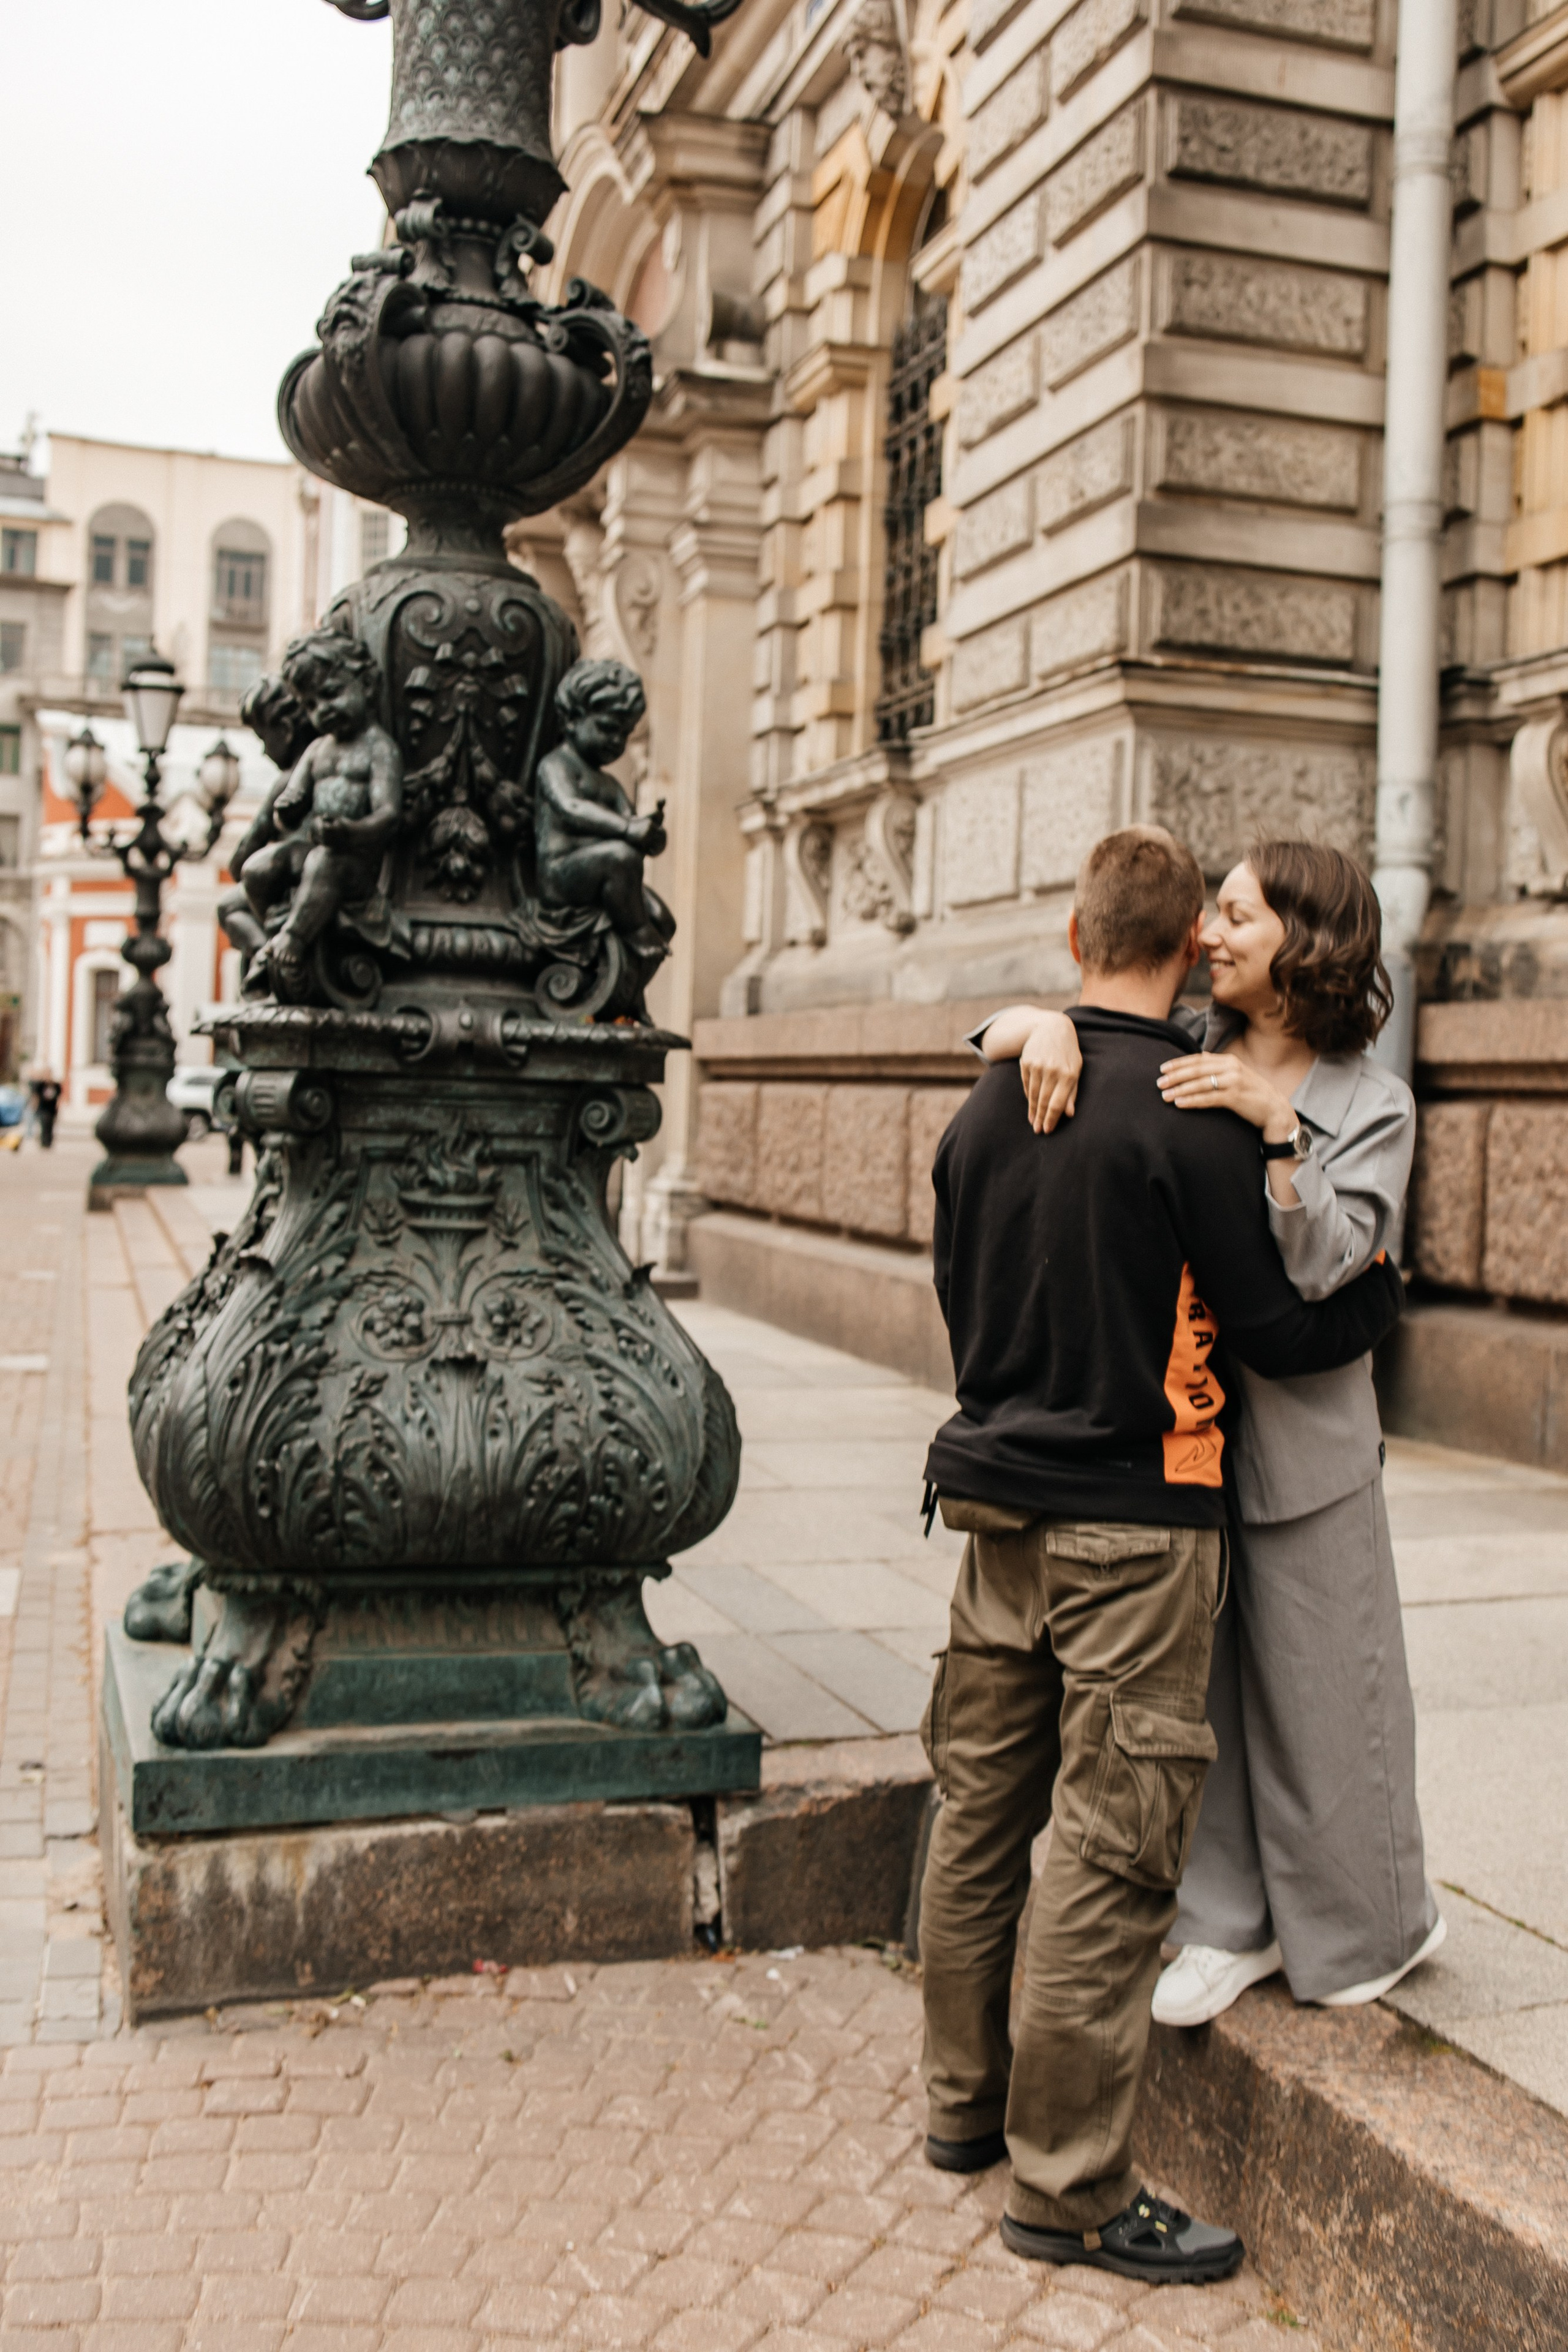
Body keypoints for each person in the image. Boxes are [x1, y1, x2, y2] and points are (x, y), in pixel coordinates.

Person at [919, 827, 1406, 2287]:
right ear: (1187, 939)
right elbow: (1274, 1323)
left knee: (975, 1806)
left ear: (1072, 941)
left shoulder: (991, 1103)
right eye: (1220, 914)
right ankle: (1063, 2188)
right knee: (1113, 1849)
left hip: (991, 1494)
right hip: (1135, 1506)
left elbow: (958, 1273)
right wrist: (1364, 1311)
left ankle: (958, 2110)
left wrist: (1027, 1030)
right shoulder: (1185, 1105)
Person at [978, 844, 1442, 2024]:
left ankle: (1367, 1929)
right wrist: (1040, 1027)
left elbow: (1339, 1265)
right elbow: (1004, 1035)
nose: (1209, 934)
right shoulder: (1184, 1045)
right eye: (1210, 915)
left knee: (1331, 1701)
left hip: (1310, 1449)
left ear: (1305, 943)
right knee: (1208, 1706)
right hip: (1177, 1439)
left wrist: (1281, 1134)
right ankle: (1228, 1928)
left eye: (1235, 916)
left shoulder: (1370, 1102)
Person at [29, 1074, 60, 1150]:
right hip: (43, 1108)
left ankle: (49, 1142)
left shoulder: (56, 1085)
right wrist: (35, 1106)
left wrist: (58, 1107)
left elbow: (59, 1097)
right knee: (43, 1125)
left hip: (52, 1109)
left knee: (50, 1126)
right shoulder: (41, 1085)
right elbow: (36, 1096)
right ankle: (43, 1142)